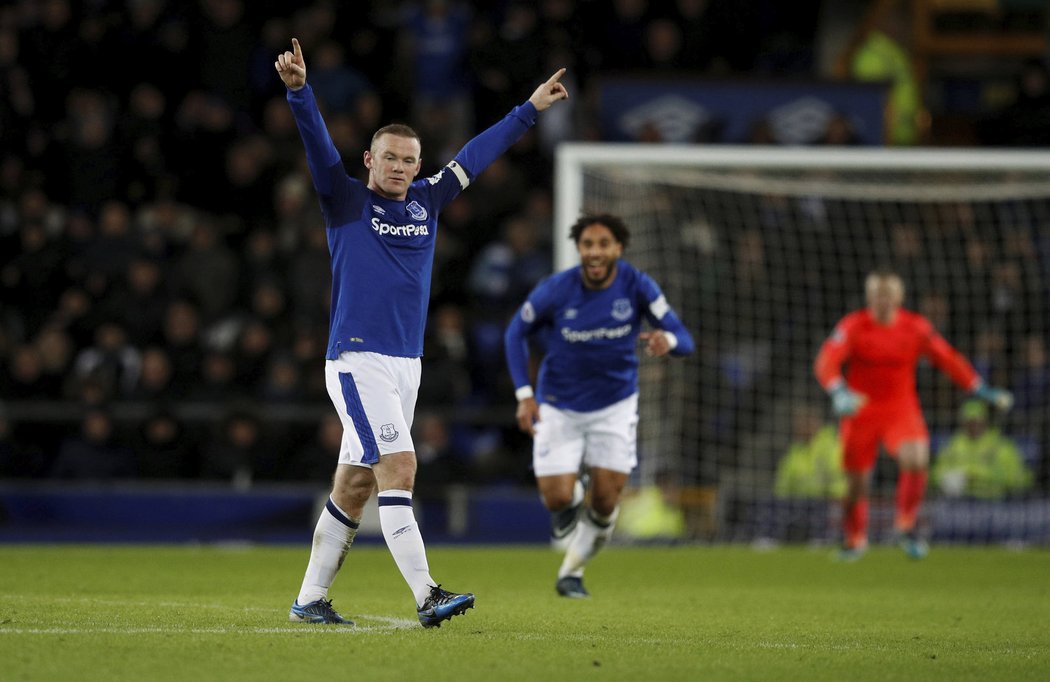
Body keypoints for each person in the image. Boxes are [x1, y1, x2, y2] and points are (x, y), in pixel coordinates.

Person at [275, 38, 568, 626]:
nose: (401, 168)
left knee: (355, 485)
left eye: (409, 160)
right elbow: (316, 144)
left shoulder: (428, 202)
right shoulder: (345, 202)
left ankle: (309, 600)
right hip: (357, 360)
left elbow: (478, 154)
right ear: (369, 160)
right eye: (390, 158)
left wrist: (530, 108)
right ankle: (427, 593)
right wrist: (300, 92)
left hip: (406, 363)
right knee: (400, 467)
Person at [504, 213, 695, 598]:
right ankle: (573, 495)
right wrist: (525, 395)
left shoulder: (637, 286)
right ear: (579, 248)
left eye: (603, 244)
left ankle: (571, 572)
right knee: (558, 499)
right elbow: (515, 332)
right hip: (559, 405)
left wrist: (668, 343)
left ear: (618, 249)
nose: (594, 252)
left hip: (615, 407)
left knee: (607, 503)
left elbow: (683, 337)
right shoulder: (557, 289)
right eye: (588, 244)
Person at [814, 270, 1013, 561]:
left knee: (918, 458)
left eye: (888, 295)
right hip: (860, 410)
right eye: (877, 295)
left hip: (900, 408)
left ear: (899, 298)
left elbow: (947, 358)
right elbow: (826, 360)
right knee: (857, 485)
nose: (882, 301)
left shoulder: (915, 327)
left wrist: (978, 387)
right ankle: (855, 539)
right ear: (869, 298)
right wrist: (838, 390)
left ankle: (905, 528)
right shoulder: (853, 325)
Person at [932, 399, 1033, 499]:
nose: (974, 425)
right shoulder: (951, 446)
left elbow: (1021, 479)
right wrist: (950, 478)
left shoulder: (1001, 445)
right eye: (970, 421)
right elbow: (935, 475)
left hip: (997, 503)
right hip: (959, 503)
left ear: (985, 421)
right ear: (963, 422)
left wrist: (979, 478)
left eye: (977, 420)